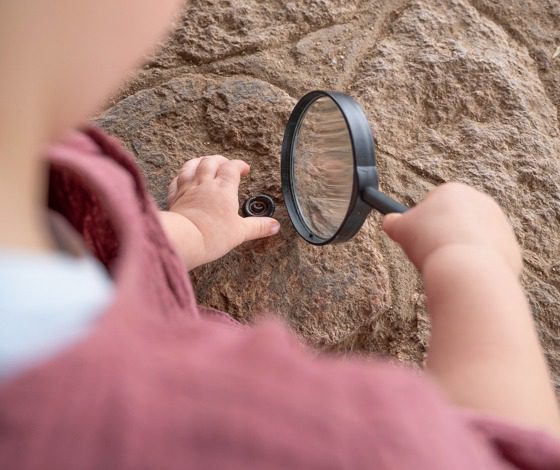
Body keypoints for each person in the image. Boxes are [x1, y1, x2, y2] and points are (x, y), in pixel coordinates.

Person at [0, 0, 559, 468]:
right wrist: (472, 264)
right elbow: (503, 452)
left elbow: (92, 252)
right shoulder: (304, 435)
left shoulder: (41, 192)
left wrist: (190, 229)